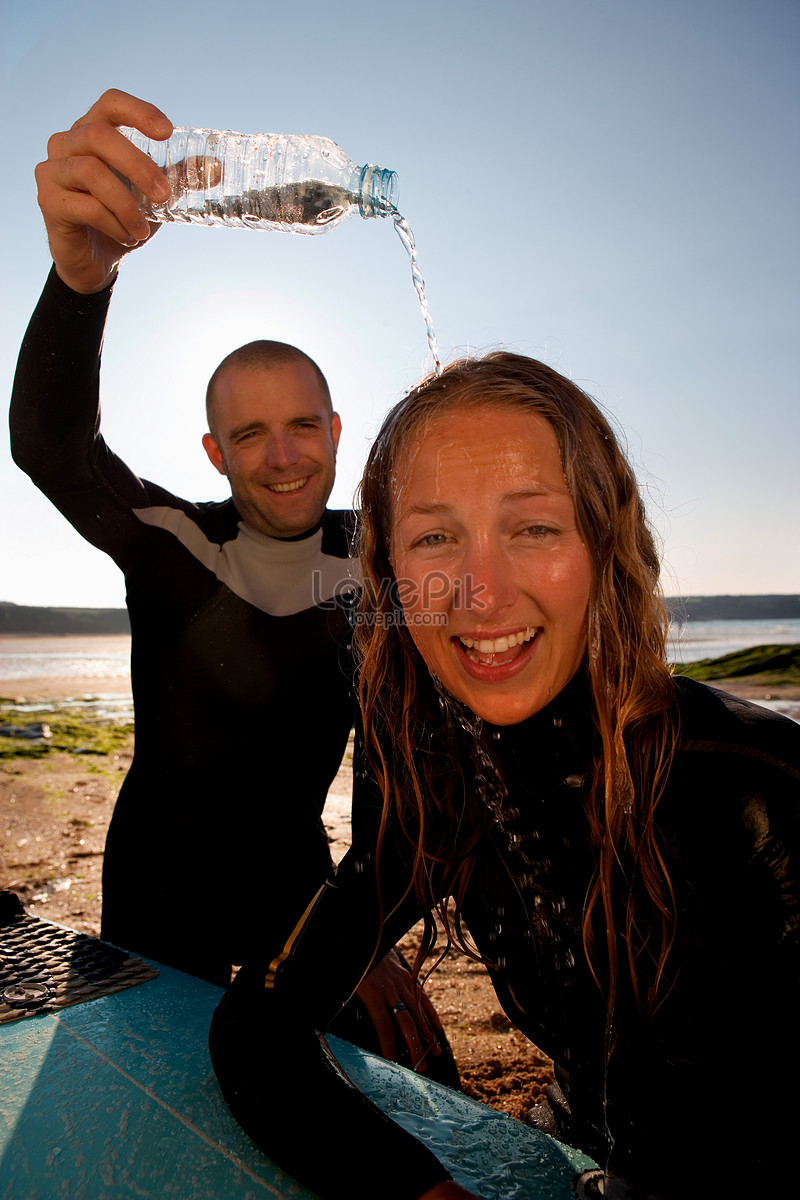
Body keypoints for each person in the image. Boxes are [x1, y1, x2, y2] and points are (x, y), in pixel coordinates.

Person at [209, 351, 800, 1199]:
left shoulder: (753, 788)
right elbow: (258, 1029)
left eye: (533, 528)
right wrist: (417, 1190)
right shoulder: (444, 790)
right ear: (391, 576)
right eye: (436, 537)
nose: (479, 594)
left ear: (605, 541)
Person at [9, 89, 458, 1083]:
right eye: (249, 434)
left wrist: (367, 922)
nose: (283, 457)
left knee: (397, 1092)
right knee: (147, 1122)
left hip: (303, 898)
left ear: (338, 431)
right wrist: (80, 281)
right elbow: (53, 450)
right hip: (153, 904)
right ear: (214, 451)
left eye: (303, 426)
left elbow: (393, 770)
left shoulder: (376, 569)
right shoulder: (172, 543)